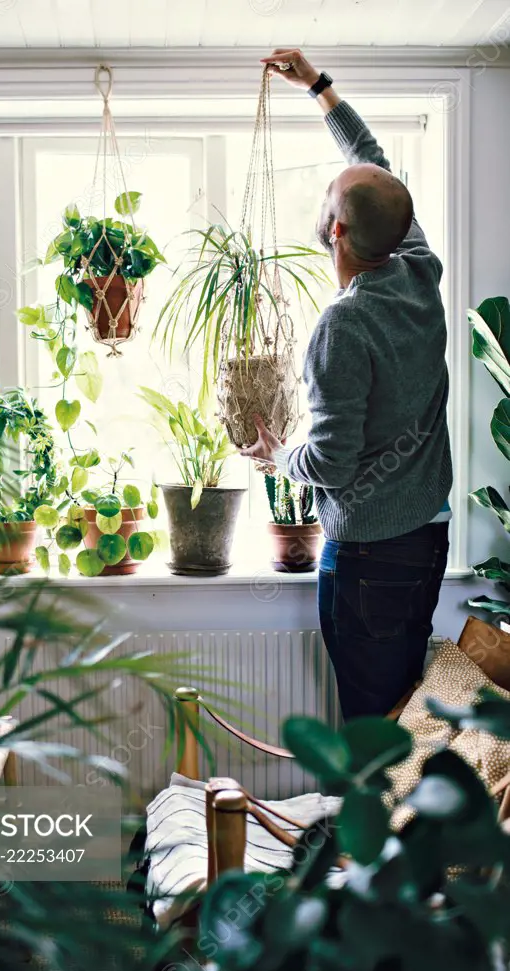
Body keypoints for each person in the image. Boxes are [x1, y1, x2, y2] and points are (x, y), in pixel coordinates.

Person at [241, 49, 452, 720]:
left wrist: (277, 456)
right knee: (403, 713)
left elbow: (330, 460)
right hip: (427, 538)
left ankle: (365, 826)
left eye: (331, 196)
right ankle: (397, 822)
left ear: (336, 229)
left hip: (372, 553)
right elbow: (377, 168)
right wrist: (319, 89)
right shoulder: (417, 266)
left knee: (370, 724)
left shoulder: (344, 326)